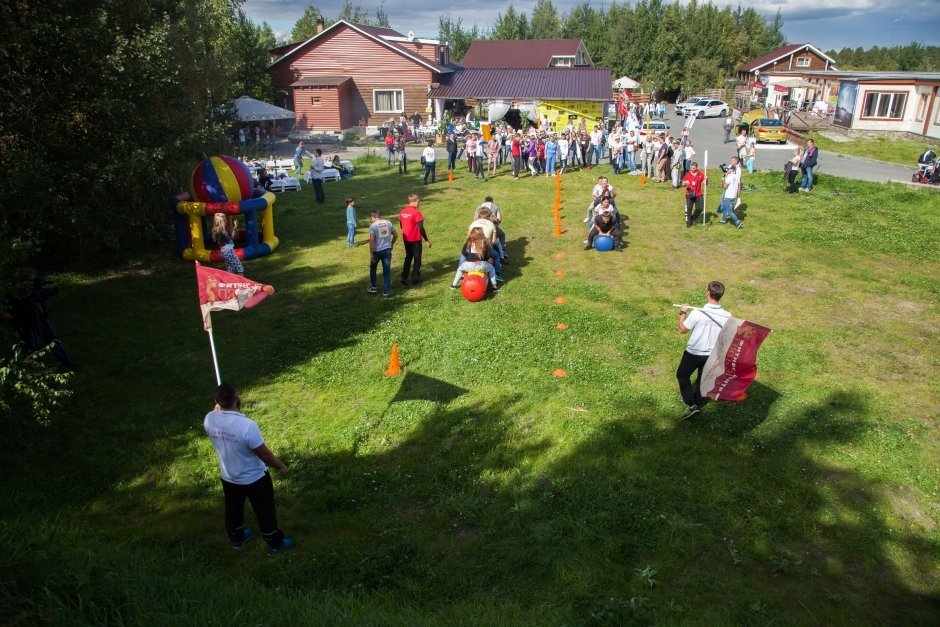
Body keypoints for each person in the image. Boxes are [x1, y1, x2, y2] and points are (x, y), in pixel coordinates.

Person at [203, 383, 293, 554]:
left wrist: (218, 408)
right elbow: (264, 454)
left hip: (228, 477)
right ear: (237, 399)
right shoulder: (247, 426)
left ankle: (236, 536)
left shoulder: (209, 419)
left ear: (216, 401)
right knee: (264, 509)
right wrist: (280, 466)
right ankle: (274, 541)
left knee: (233, 507)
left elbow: (217, 415)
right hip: (254, 478)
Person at [676, 281, 730, 419]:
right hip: (712, 354)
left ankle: (692, 404)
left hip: (693, 353)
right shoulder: (727, 316)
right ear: (720, 296)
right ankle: (698, 402)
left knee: (682, 375)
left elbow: (682, 329)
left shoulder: (697, 313)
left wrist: (682, 312)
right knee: (702, 378)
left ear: (708, 293)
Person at [450, 227, 501, 293]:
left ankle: (453, 285)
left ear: (472, 233)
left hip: (470, 265)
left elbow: (464, 253)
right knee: (492, 269)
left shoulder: (469, 242)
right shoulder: (485, 242)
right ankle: (494, 287)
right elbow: (488, 255)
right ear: (482, 233)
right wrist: (485, 260)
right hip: (482, 265)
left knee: (460, 269)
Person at [399, 194, 431, 286]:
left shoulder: (402, 211)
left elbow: (401, 225)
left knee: (408, 257)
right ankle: (415, 278)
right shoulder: (416, 212)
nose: (419, 203)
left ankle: (404, 277)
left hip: (406, 239)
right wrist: (426, 240)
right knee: (417, 259)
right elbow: (421, 228)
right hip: (415, 239)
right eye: (418, 201)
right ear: (413, 201)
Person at [367, 210, 398, 297]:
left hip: (377, 251)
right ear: (379, 216)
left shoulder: (373, 226)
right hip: (387, 250)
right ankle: (386, 292)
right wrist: (391, 243)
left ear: (372, 217)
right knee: (386, 271)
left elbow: (372, 241)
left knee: (373, 268)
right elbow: (396, 235)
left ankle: (373, 287)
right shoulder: (388, 223)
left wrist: (371, 254)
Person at [717, 157, 743, 228]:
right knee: (725, 207)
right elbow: (738, 185)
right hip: (733, 195)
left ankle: (738, 222)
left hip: (728, 195)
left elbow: (724, 186)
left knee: (730, 211)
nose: (727, 170)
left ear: (732, 170)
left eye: (728, 169)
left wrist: (723, 180)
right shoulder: (736, 177)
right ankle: (723, 219)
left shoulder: (729, 177)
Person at [682, 161, 706, 227]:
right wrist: (685, 184)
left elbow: (705, 184)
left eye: (693, 168)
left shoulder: (700, 174)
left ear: (696, 168)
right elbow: (683, 184)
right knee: (689, 208)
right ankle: (688, 222)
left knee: (700, 208)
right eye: (691, 168)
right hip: (689, 193)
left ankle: (693, 218)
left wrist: (706, 180)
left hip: (698, 193)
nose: (692, 170)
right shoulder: (688, 174)